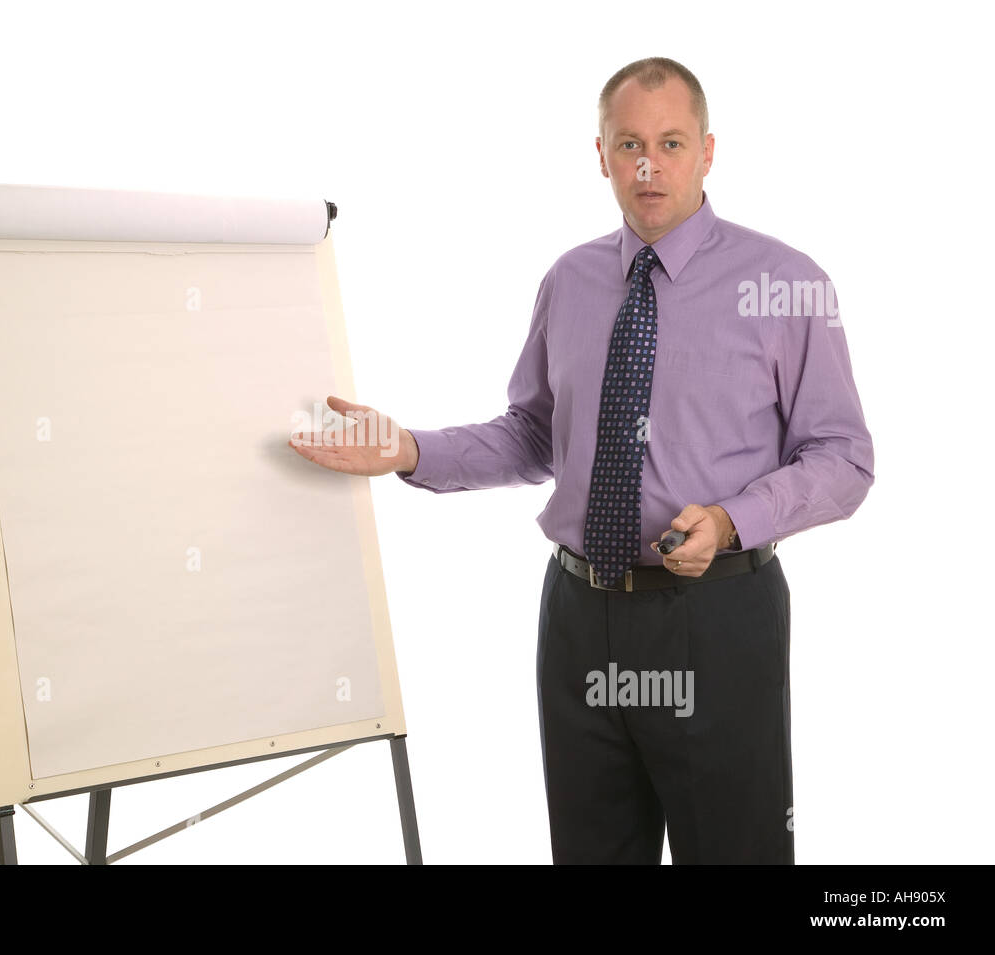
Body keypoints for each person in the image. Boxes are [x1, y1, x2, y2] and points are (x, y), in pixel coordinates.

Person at [288, 56, 873, 864]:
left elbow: (843, 456)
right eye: (628, 142)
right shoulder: (571, 281)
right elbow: (535, 435)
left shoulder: (785, 284)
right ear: (599, 153)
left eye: (670, 142)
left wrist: (735, 518)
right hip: (576, 618)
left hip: (715, 619)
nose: (647, 165)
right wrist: (412, 448)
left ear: (708, 150)